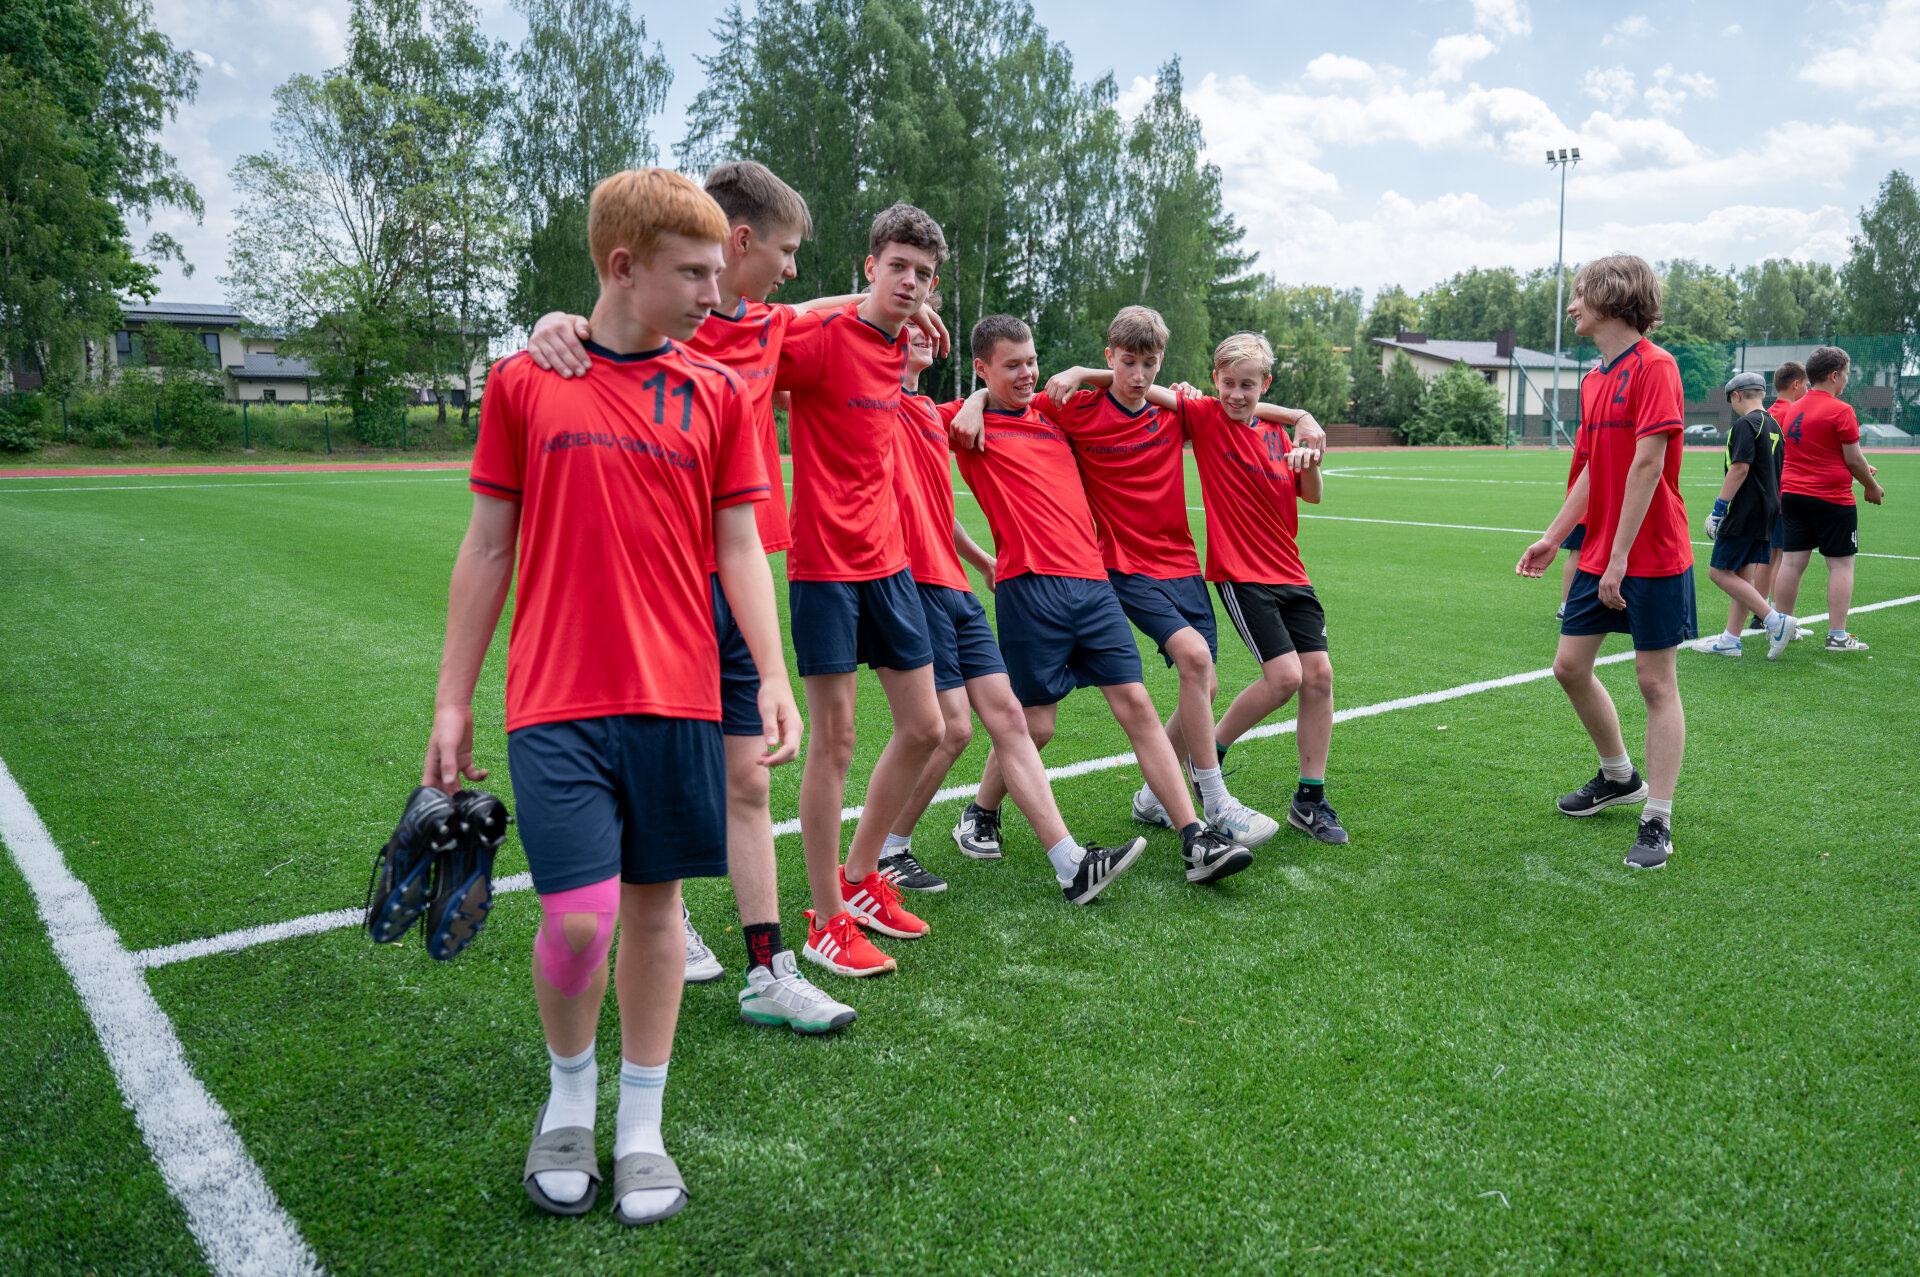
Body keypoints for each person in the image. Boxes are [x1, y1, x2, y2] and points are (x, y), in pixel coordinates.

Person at [426, 169, 800, 1224]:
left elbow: (740, 546)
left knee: (655, 910)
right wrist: (451, 699)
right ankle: (567, 1096)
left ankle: (640, 1124)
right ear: (622, 266)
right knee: (578, 919)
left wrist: (770, 673)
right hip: (555, 701)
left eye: (720, 273)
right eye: (692, 273)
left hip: (678, 697)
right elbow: (487, 544)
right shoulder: (524, 381)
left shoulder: (718, 393)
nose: (713, 295)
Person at [524, 162, 944, 1017]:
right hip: (658, 587)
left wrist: (908, 311)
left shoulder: (764, 324)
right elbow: (604, 324)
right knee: (665, 781)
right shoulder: (663, 322)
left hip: (740, 575)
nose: (792, 269)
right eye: (783, 250)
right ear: (739, 241)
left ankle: (769, 966)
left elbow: (824, 309)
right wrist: (550, 323)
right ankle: (668, 914)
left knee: (749, 778)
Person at [975, 305, 1326, 847]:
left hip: (1182, 565)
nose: (1138, 376)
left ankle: (1153, 798)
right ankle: (1215, 800)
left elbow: (1238, 405)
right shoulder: (1074, 407)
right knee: (1191, 661)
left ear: (1162, 363)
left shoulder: (1177, 411)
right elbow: (1011, 398)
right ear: (1110, 354)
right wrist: (982, 398)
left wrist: (1301, 416)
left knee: (1203, 686)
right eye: (1127, 362)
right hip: (1121, 565)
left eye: (1149, 364)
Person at [942, 314, 1255, 885]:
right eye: (1012, 366)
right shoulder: (966, 422)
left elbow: (1122, 390)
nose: (1028, 373)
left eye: (1031, 361)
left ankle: (1196, 839)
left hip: (1093, 582)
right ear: (985, 370)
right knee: (1035, 727)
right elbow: (914, 447)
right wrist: (973, 401)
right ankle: (981, 812)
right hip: (1028, 586)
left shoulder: (1056, 410)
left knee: (1136, 705)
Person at [882, 316, 1148, 903]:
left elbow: (932, 502)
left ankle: (1071, 864)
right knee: (948, 730)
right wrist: (977, 396)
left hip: (956, 583)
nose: (924, 330)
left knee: (1011, 719)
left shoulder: (931, 411)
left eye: (928, 321)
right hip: (911, 580)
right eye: (906, 325)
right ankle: (886, 852)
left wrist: (979, 558)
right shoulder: (882, 405)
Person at [1516, 254, 1693, 871]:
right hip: (1602, 552)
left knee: (1654, 681)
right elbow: (1596, 468)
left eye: (1580, 295)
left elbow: (1647, 466)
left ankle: (1658, 818)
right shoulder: (1594, 379)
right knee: (1569, 666)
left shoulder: (1657, 367)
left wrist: (1618, 556)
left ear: (1613, 298)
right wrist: (1552, 536)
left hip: (1652, 552)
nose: (1572, 308)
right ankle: (1619, 775)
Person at [1769, 346, 1887, 653]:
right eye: (1847, 372)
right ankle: (1837, 636)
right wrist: (1871, 485)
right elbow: (1853, 460)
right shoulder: (1841, 409)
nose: (1847, 378)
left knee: (1792, 563)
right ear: (1835, 375)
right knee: (1841, 566)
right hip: (1831, 498)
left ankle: (1781, 627)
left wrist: (1857, 465)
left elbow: (1815, 450)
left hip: (1793, 494)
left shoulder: (1794, 407)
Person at [1695, 372, 1797, 659]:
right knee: (1743, 576)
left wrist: (1718, 510)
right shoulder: (1774, 423)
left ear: (1736, 396)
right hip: (1768, 509)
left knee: (1718, 572)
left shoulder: (1745, 424)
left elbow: (1740, 468)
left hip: (1745, 509)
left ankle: (1774, 620)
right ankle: (1730, 639)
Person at [1762, 361, 1808, 608]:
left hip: (1765, 494)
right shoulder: (1794, 415)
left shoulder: (1767, 414)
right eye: (1807, 385)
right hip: (1785, 494)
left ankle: (1762, 612)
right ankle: (1778, 617)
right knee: (1782, 557)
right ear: (1796, 384)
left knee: (1768, 556)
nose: (1809, 390)